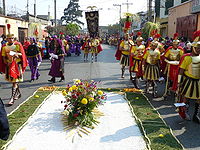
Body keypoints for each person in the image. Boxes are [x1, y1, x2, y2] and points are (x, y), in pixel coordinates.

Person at [0, 34, 28, 105]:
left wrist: (16, 54)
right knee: (14, 81)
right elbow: (3, 57)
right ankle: (18, 94)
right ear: (7, 39)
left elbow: (22, 54)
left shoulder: (18, 45)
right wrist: (6, 62)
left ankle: (12, 99)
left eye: (12, 38)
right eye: (9, 38)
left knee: (14, 82)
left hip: (17, 66)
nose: (11, 40)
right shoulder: (4, 47)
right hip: (9, 66)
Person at [177, 38, 200, 122]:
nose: (198, 49)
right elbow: (181, 71)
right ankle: (184, 112)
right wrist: (179, 82)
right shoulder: (187, 58)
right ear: (193, 47)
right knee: (186, 97)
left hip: (198, 81)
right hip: (188, 81)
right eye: (197, 48)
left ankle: (195, 115)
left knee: (199, 98)